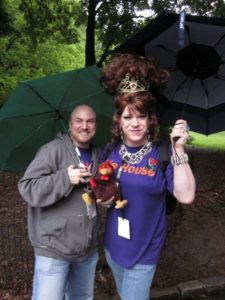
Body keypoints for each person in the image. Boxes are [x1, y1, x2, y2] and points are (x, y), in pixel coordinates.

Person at [98, 53, 196, 300]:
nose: (135, 123)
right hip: (113, 246)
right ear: (118, 120)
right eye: (128, 117)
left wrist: (179, 149)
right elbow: (101, 192)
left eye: (141, 116)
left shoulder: (163, 152)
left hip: (144, 251)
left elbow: (185, 196)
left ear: (151, 118)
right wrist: (103, 198)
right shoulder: (110, 152)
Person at [18, 104, 101, 300]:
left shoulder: (97, 154)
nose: (84, 126)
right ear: (70, 125)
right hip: (54, 251)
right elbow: (27, 187)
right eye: (79, 121)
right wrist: (65, 178)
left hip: (86, 251)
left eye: (90, 121)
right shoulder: (51, 150)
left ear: (95, 126)